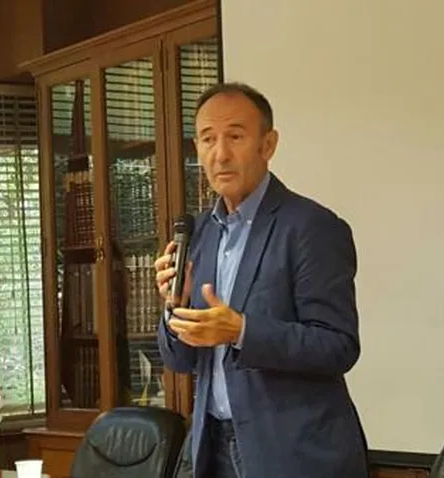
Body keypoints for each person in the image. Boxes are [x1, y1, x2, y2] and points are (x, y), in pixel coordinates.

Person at [155, 82, 368, 477]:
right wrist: (175, 307)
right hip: (211, 446)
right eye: (208, 139)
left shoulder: (311, 227)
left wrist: (241, 331)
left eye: (235, 136)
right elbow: (179, 360)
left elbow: (338, 345)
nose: (220, 154)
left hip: (293, 453)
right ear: (197, 149)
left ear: (268, 145)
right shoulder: (199, 234)